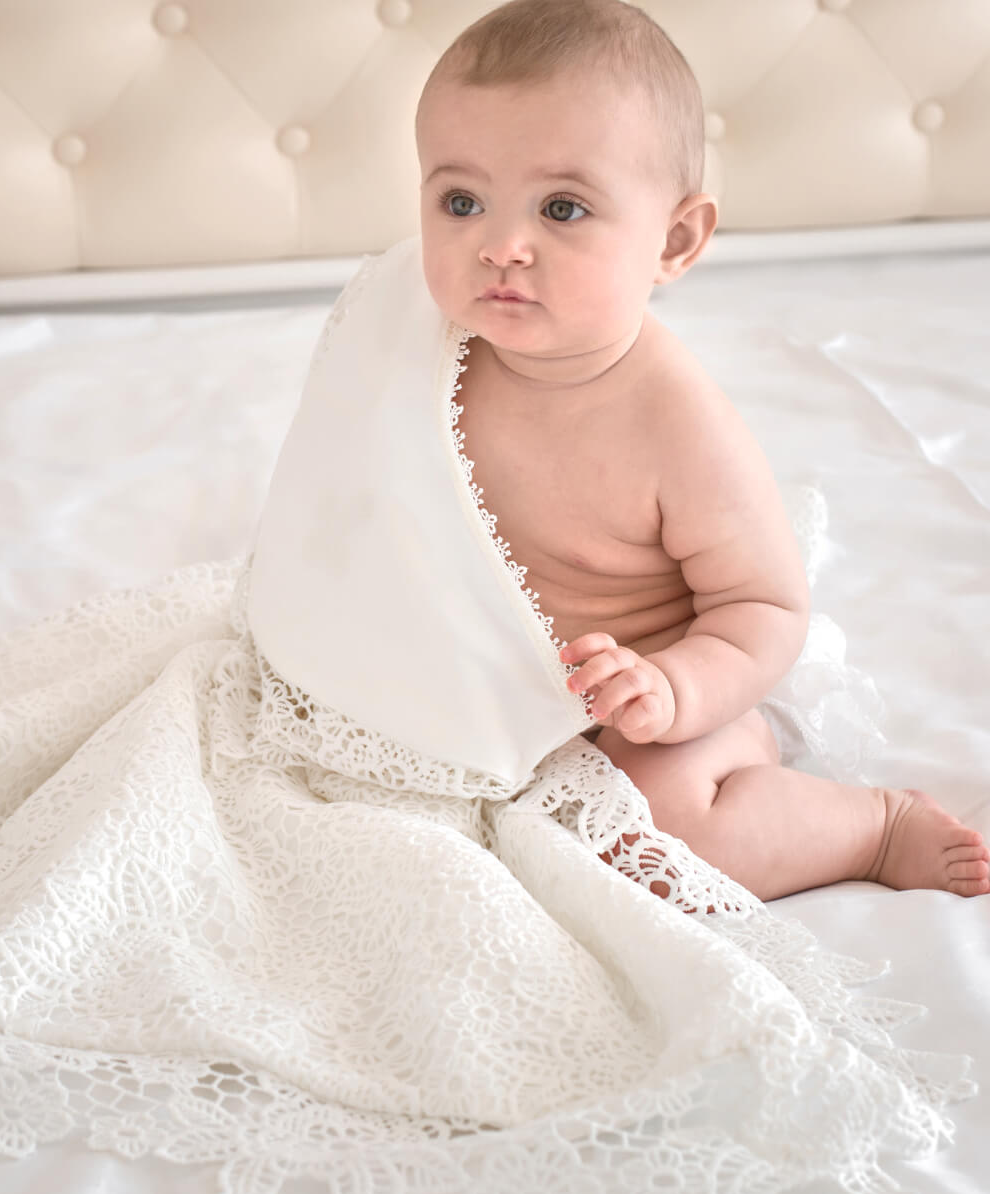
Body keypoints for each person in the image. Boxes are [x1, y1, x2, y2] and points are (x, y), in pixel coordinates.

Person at [413, 0, 989, 901]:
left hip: (672, 697)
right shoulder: (425, 362)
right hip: (498, 692)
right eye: (462, 202)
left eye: (562, 208)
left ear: (674, 240)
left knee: (652, 836)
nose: (500, 247)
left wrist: (673, 689)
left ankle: (870, 828)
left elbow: (762, 608)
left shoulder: (675, 422)